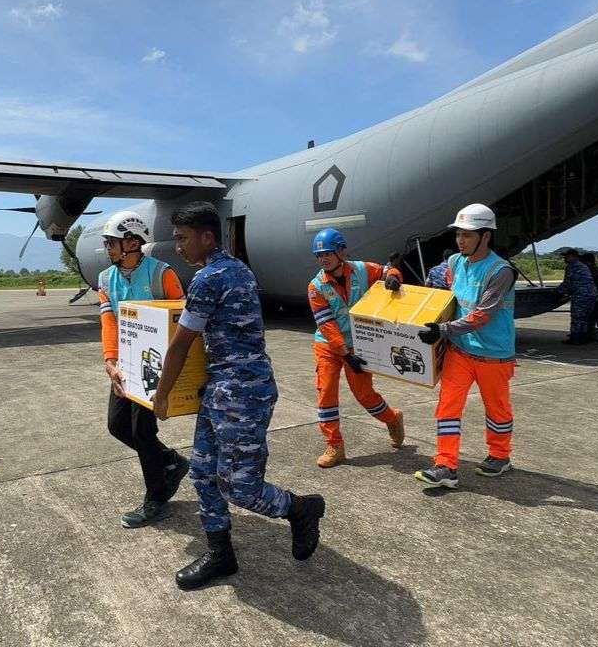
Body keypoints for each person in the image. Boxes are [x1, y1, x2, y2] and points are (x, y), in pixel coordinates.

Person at [151, 201, 325, 590]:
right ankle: (221, 554)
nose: (178, 246)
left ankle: (300, 508)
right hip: (222, 388)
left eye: (182, 238)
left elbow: (181, 344)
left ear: (206, 237)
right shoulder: (239, 269)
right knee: (203, 473)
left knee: (240, 487)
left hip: (241, 394)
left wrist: (161, 395)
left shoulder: (208, 278)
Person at [96, 210, 191, 529]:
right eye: (107, 243)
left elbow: (183, 318)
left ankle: (156, 498)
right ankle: (171, 461)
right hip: (125, 364)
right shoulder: (105, 279)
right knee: (117, 425)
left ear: (133, 242)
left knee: (142, 431)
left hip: (155, 364)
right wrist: (110, 362)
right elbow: (109, 323)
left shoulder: (162, 274)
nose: (108, 248)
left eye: (112, 242)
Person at [414, 204, 516, 489]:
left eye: (468, 235)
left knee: (497, 410)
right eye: (458, 234)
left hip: (494, 355)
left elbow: (482, 315)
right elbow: (437, 287)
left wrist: (442, 330)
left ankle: (500, 455)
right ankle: (445, 465)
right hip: (460, 351)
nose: (460, 240)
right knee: (447, 406)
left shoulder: (501, 271)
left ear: (486, 236)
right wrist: (393, 277)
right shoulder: (455, 262)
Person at [307, 228, 405, 468]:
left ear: (341, 252)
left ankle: (392, 418)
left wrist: (394, 277)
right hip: (329, 346)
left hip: (359, 343)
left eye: (328, 253)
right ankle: (335, 445)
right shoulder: (316, 287)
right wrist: (344, 353)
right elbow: (326, 325)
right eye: (319, 256)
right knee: (326, 392)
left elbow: (386, 270)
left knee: (365, 395)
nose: (323, 259)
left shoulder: (362, 270)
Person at [557, 248, 598, 345]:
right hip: (592, 294)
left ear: (572, 256)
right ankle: (583, 338)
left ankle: (575, 338)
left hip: (581, 295)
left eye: (566, 256)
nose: (564, 259)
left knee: (577, 317)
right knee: (585, 317)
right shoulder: (583, 265)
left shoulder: (572, 266)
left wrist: (556, 291)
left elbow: (567, 283)